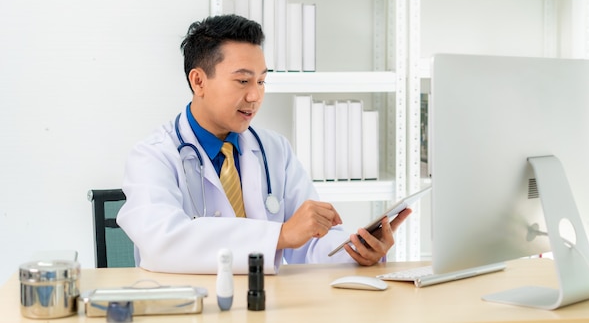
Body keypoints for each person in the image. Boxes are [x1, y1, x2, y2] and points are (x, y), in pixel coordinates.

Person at [117, 14, 411, 274]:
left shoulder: (274, 150)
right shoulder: (153, 156)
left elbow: (308, 243)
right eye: (243, 81)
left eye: (261, 81)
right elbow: (162, 243)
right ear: (199, 81)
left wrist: (357, 252)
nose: (255, 96)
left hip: (267, 307)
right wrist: (280, 235)